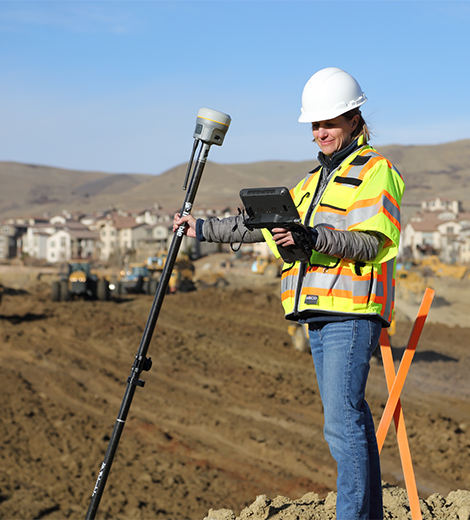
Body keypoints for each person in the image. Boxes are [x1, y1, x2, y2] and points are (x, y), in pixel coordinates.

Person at [173, 66, 404, 520]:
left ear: (354, 120)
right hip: (317, 314)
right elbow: (254, 225)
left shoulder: (378, 172)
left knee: (342, 426)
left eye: (330, 123)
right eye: (315, 124)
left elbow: (372, 244)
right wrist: (200, 228)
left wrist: (311, 237)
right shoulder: (311, 183)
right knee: (350, 422)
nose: (321, 132)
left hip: (350, 313)